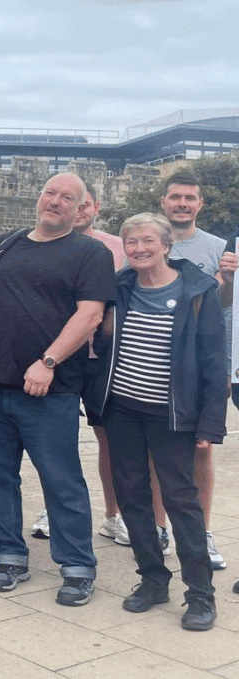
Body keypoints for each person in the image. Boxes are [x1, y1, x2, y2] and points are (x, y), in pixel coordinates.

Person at [0, 172, 115, 606]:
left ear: (81, 208)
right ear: (39, 197)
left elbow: (89, 316)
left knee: (61, 478)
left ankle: (77, 567)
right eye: (51, 192)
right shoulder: (4, 245)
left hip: (52, 389)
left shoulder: (90, 253)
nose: (56, 201)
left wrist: (48, 362)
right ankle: (10, 556)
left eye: (68, 197)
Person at [89, 212, 224, 631]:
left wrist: (209, 425)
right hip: (124, 409)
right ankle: (152, 579)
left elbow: (215, 363)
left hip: (172, 414)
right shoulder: (120, 288)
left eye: (148, 241)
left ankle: (201, 594)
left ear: (166, 245)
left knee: (181, 501)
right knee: (131, 495)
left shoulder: (198, 291)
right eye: (132, 243)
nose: (140, 249)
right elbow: (102, 340)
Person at [33, 183, 128, 545]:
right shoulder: (45, 244)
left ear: (94, 207)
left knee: (111, 441)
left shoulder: (117, 247)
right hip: (60, 359)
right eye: (74, 202)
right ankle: (51, 508)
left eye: (84, 203)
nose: (80, 209)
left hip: (103, 359)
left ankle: (113, 515)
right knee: (55, 442)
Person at [157, 171, 237, 570]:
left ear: (200, 204)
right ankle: (157, 530)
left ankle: (202, 532)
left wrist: (227, 280)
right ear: (164, 202)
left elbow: (222, 309)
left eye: (190, 197)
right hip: (154, 360)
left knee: (202, 449)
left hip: (200, 362)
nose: (183, 204)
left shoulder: (218, 247)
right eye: (176, 197)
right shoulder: (147, 239)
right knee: (153, 450)